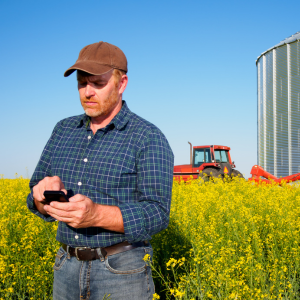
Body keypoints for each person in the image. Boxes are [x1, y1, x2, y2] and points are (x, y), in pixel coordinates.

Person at [27, 41, 174, 300]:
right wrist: (42, 198)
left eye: (98, 83)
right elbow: (33, 197)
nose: (87, 92)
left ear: (122, 83)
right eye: (82, 83)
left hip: (121, 271)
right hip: (65, 267)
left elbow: (158, 213)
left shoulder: (147, 137)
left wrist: (95, 215)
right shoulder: (63, 130)